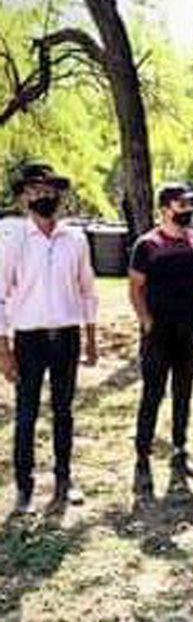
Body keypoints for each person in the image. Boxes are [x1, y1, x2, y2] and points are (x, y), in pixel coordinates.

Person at [0, 163, 98, 512]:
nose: (43, 196)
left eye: (49, 190)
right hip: (28, 339)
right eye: (35, 191)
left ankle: (64, 477)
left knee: (64, 410)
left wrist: (90, 337)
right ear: (24, 196)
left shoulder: (75, 238)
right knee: (26, 413)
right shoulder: (12, 237)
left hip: (66, 337)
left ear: (58, 194)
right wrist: (3, 349)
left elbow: (87, 289)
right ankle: (24, 486)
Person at [128, 182, 193, 495]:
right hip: (157, 333)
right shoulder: (146, 245)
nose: (187, 210)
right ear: (165, 209)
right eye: (181, 205)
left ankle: (179, 451)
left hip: (188, 330)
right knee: (153, 393)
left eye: (190, 205)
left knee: (183, 392)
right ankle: (142, 456)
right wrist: (147, 321)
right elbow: (135, 288)